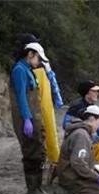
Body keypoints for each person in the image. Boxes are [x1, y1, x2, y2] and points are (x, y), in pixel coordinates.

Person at [14, 34, 63, 174]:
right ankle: (50, 161)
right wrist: (58, 98)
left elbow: (51, 78)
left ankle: (52, 161)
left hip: (41, 95)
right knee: (43, 132)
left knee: (48, 129)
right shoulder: (22, 68)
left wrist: (58, 99)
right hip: (35, 100)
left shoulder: (29, 65)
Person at [9, 42, 51, 194]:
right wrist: (27, 119)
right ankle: (33, 190)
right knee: (32, 152)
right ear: (30, 54)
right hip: (27, 118)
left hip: (35, 117)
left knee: (39, 150)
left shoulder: (28, 70)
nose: (39, 62)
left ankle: (37, 188)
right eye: (38, 58)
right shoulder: (20, 70)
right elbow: (21, 96)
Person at [53, 105, 99, 194]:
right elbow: (78, 163)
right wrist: (97, 177)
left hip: (72, 174)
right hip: (72, 178)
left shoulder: (81, 132)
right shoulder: (81, 135)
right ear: (91, 119)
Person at [63, 80, 99, 165]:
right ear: (87, 93)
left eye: (97, 91)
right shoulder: (76, 106)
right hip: (79, 140)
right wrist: (91, 135)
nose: (97, 93)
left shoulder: (92, 106)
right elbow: (67, 125)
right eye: (94, 91)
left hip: (89, 138)